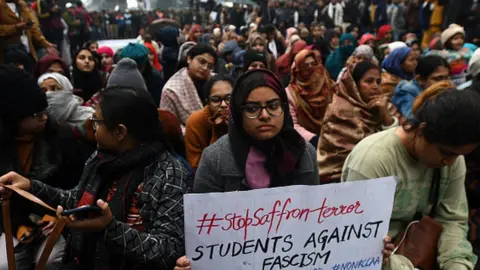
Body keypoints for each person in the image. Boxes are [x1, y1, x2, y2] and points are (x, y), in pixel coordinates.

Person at [0, 86, 190, 269]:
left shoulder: (169, 173)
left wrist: (109, 227)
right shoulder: (100, 158)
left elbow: (169, 248)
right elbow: (76, 200)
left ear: (120, 132)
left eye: (96, 122)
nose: (92, 128)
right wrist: (30, 187)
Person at [341, 86, 480, 270]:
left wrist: (457, 264)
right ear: (421, 131)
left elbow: (452, 220)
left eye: (459, 155)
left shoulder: (452, 159)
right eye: (447, 153)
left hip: (421, 255)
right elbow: (358, 245)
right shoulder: (374, 160)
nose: (449, 162)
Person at [0, 64, 93, 270]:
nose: (43, 117)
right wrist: (18, 225)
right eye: (34, 114)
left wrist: (59, 217)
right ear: (13, 118)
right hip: (14, 225)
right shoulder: (5, 149)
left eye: (44, 111)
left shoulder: (61, 142)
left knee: (51, 261)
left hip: (58, 224)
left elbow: (78, 190)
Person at [318, 61, 399, 184]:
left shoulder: (385, 106)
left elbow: (398, 143)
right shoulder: (340, 110)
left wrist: (386, 116)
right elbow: (359, 155)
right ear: (354, 84)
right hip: (339, 179)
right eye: (369, 81)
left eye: (378, 81)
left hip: (380, 172)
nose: (375, 86)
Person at [160, 44, 217, 130]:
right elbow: (170, 127)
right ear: (189, 59)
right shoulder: (171, 90)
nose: (205, 68)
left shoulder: (216, 80)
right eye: (201, 62)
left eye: (210, 66)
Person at [185, 75, 233, 171]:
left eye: (229, 98)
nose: (223, 105)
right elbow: (196, 165)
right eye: (216, 100)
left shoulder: (243, 117)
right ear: (207, 102)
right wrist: (218, 130)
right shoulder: (195, 121)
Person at [286, 49, 334, 146]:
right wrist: (314, 139)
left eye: (314, 64)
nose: (311, 68)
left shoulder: (330, 87)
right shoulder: (290, 94)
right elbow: (292, 125)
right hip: (305, 145)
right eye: (305, 66)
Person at [0, 0, 57, 64]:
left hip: (27, 49)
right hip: (7, 53)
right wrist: (15, 27)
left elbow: (32, 27)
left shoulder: (21, 4)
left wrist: (45, 44)